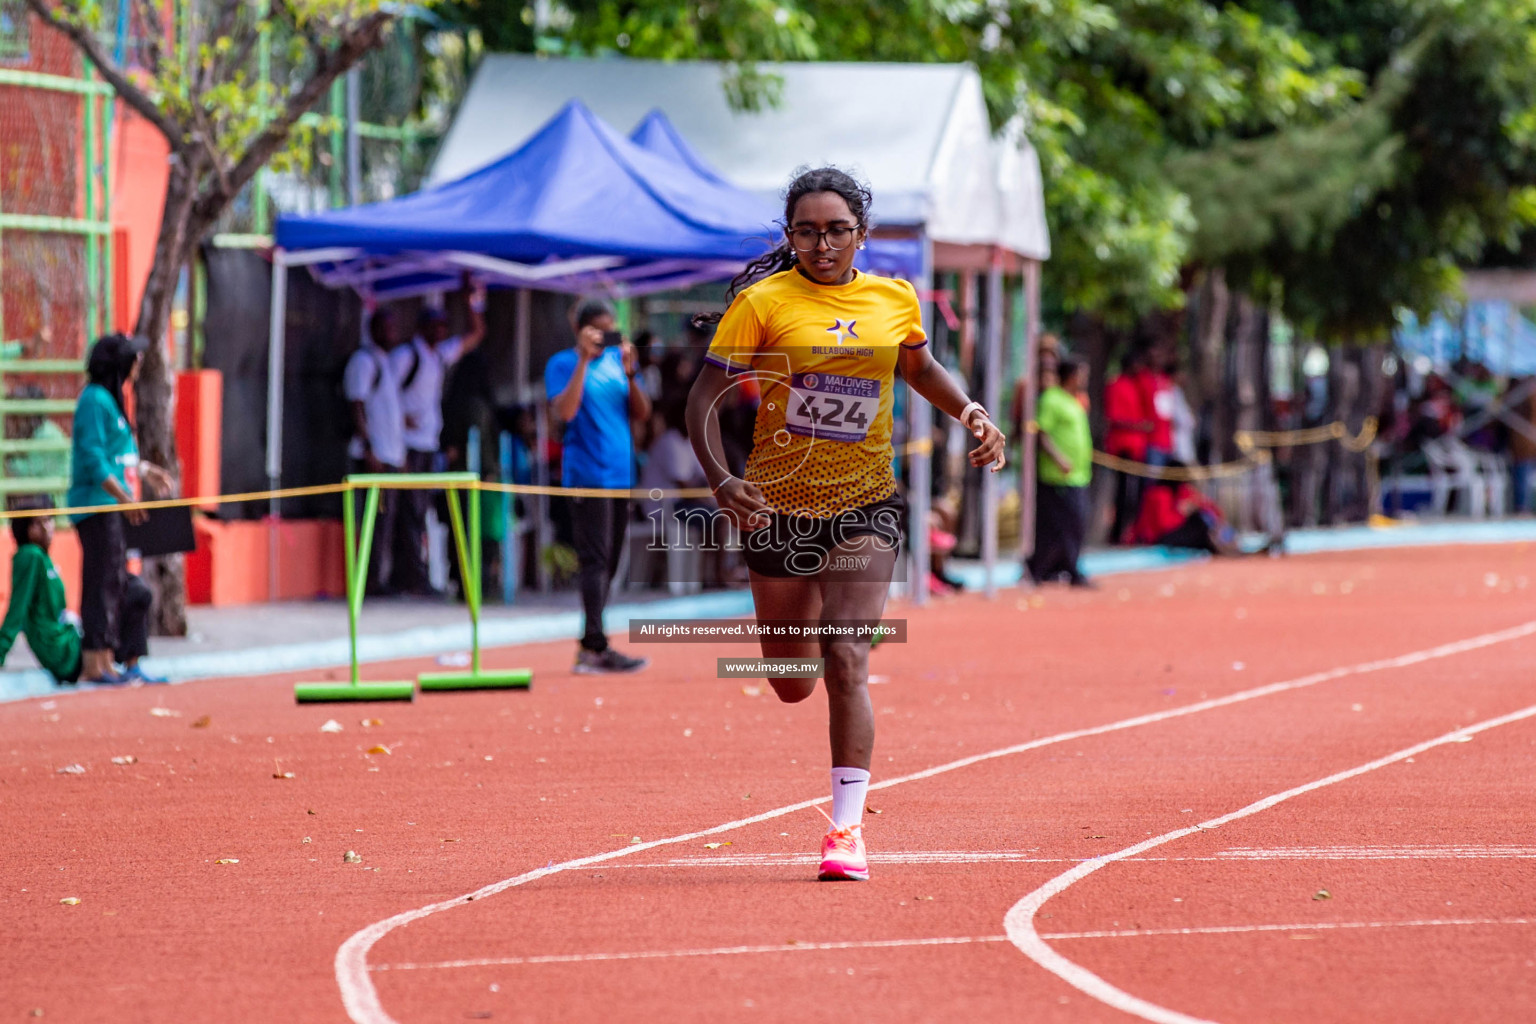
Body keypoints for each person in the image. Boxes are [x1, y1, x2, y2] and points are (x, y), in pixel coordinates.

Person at [686, 167, 1006, 882]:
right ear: (790, 235)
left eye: (836, 230)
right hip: (777, 505)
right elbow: (702, 398)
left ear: (862, 233)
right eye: (807, 230)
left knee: (846, 653)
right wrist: (724, 481)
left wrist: (971, 411)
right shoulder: (764, 301)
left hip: (867, 502)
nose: (822, 243)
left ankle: (845, 830)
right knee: (792, 679)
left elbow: (920, 370)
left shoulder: (893, 296)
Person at [546, 299, 653, 673]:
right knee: (595, 559)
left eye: (612, 329)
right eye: (599, 330)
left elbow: (643, 413)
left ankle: (592, 641)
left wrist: (630, 372)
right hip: (586, 475)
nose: (606, 337)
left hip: (620, 474)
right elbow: (564, 412)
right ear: (581, 331)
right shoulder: (562, 364)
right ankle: (594, 645)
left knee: (610, 560)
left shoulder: (616, 364)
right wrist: (581, 361)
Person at [67, 334, 171, 684]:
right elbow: (94, 459)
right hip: (97, 507)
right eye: (133, 356)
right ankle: (94, 662)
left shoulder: (111, 401)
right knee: (101, 582)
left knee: (117, 582)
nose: (139, 361)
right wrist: (124, 498)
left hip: (112, 507)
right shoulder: (94, 400)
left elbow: (117, 455)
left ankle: (110, 659)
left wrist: (144, 471)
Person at [393, 281, 488, 596]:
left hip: (427, 445)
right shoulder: (407, 356)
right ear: (422, 328)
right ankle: (408, 576)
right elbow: (384, 395)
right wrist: (398, 421)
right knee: (407, 512)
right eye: (435, 325)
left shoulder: (437, 357)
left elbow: (475, 336)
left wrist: (470, 302)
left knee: (420, 512)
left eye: (444, 326)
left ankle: (414, 573)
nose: (441, 331)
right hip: (405, 445)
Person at [0, 497, 153, 684]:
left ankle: (128, 664)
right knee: (133, 591)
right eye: (42, 523)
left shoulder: (43, 558)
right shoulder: (29, 556)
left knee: (134, 589)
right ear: (28, 529)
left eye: (49, 521)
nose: (49, 528)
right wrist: (1, 651)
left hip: (71, 637)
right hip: (63, 652)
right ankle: (125, 665)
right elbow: (17, 609)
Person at [344, 309, 409, 596]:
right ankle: (368, 582)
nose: (392, 333)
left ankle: (378, 578)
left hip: (389, 456)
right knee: (372, 521)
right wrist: (369, 448)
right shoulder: (364, 361)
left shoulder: (386, 362)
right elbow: (356, 405)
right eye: (387, 327)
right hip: (373, 458)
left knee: (385, 522)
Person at [1028, 357, 1093, 586]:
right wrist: (1058, 459)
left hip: (1078, 475)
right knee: (1062, 524)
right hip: (1058, 476)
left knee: (1074, 523)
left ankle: (1059, 567)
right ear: (1072, 375)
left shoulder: (1074, 401)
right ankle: (1056, 569)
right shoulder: (1052, 399)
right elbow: (1041, 432)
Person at [1104, 346, 1155, 543]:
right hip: (1123, 445)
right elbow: (1114, 418)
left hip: (1137, 446)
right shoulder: (1116, 385)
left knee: (1138, 493)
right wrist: (1138, 426)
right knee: (1123, 492)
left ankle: (1132, 532)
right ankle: (1116, 534)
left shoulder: (1137, 385)